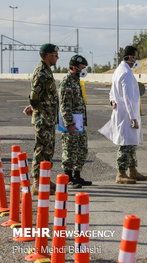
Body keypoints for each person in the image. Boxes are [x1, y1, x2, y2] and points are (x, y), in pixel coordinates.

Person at [98, 45, 147, 184]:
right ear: (130, 57)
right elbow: (128, 98)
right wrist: (133, 118)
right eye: (135, 57)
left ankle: (132, 171)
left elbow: (113, 91)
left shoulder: (119, 70)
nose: (136, 60)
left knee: (132, 143)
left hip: (123, 113)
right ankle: (120, 173)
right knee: (125, 144)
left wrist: (112, 100)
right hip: (126, 115)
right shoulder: (125, 73)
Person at [23, 43, 59, 195]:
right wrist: (35, 108)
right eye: (55, 55)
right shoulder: (41, 72)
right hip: (43, 118)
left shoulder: (47, 71)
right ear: (47, 56)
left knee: (49, 149)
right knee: (41, 149)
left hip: (49, 118)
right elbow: (34, 96)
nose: (57, 57)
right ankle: (37, 182)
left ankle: (45, 178)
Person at [58, 55, 92, 189]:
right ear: (74, 67)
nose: (84, 70)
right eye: (82, 67)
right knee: (69, 150)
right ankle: (68, 177)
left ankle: (77, 175)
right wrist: (69, 124)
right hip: (71, 123)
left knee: (82, 149)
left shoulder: (76, 80)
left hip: (79, 122)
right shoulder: (67, 81)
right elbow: (64, 105)